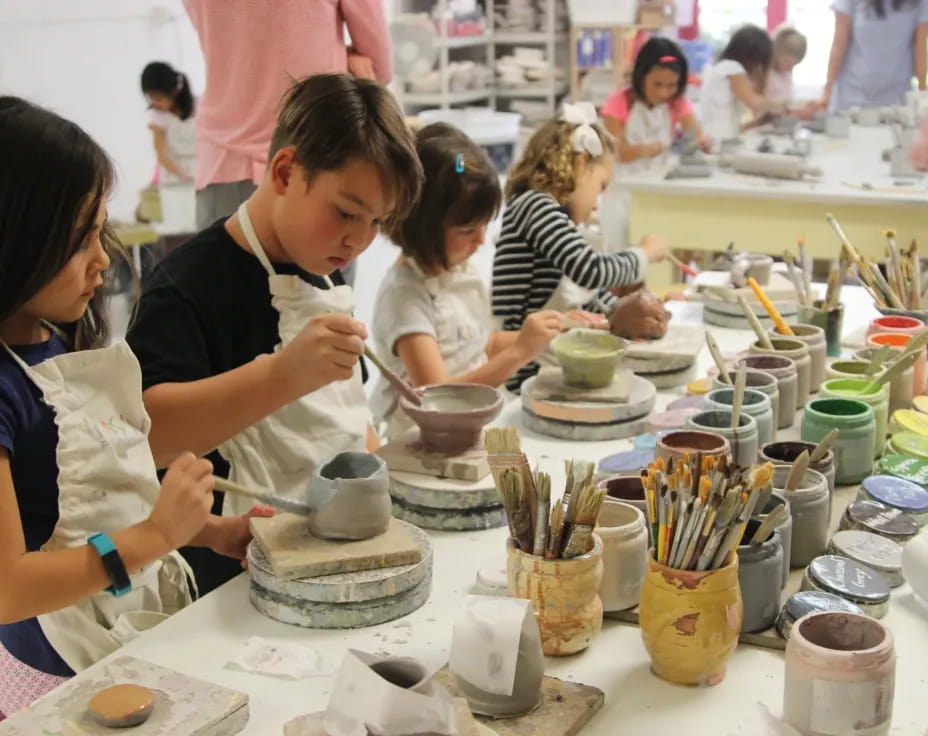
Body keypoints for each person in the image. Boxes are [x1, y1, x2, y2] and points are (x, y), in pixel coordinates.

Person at [0, 97, 266, 716]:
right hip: (55, 663)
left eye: (101, 231)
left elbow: (107, 496)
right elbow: (9, 588)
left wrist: (207, 530)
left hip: (119, 626)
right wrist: (152, 536)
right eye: (80, 241)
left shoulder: (55, 339)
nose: (103, 259)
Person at [127, 74, 423, 594]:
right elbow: (146, 438)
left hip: (338, 554)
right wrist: (283, 376)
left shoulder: (325, 274)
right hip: (233, 577)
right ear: (285, 172)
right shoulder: (186, 285)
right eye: (346, 212)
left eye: (377, 221)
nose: (357, 240)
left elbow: (348, 418)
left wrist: (386, 475)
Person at [371, 123, 562, 439]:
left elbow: (482, 345)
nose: (481, 240)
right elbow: (437, 395)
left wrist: (551, 333)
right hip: (426, 440)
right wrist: (519, 353)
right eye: (467, 230)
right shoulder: (405, 296)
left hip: (473, 424)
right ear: (422, 227)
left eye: (484, 226)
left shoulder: (463, 271)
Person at [491, 102, 669, 391]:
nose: (597, 203)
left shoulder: (552, 216)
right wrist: (645, 255)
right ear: (581, 164)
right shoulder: (534, 205)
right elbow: (590, 271)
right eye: (601, 186)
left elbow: (583, 295)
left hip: (547, 361)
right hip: (526, 372)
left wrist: (628, 310)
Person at [182, 0, 392, 234]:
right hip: (317, 154)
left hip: (223, 161)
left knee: (219, 257)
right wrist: (348, 57)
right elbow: (378, 68)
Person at [602, 37, 710, 171]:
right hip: (625, 178)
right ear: (641, 77)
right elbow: (614, 152)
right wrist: (643, 150)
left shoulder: (678, 103)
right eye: (657, 84)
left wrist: (702, 143)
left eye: (671, 86)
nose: (663, 93)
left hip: (659, 177)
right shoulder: (618, 102)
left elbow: (696, 135)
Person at [821, 0, 928, 112]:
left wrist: (922, 97)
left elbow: (920, 49)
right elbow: (839, 45)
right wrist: (827, 92)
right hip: (851, 97)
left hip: (897, 101)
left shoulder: (920, 3)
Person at [699, 25, 784, 144]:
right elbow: (754, 102)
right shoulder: (732, 67)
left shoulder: (717, 67)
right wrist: (783, 105)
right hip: (720, 139)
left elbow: (755, 109)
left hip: (716, 136)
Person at [141, 61, 197, 232]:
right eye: (150, 97)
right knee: (178, 227)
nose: (154, 102)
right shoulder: (156, 117)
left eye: (158, 98)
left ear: (173, 92)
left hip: (201, 172)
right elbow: (161, 154)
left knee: (201, 223)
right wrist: (182, 174)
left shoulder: (198, 105)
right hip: (173, 178)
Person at [767, 26, 808, 105]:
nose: (789, 68)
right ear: (776, 53)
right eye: (786, 62)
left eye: (794, 65)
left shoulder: (787, 73)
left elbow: (787, 97)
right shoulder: (767, 74)